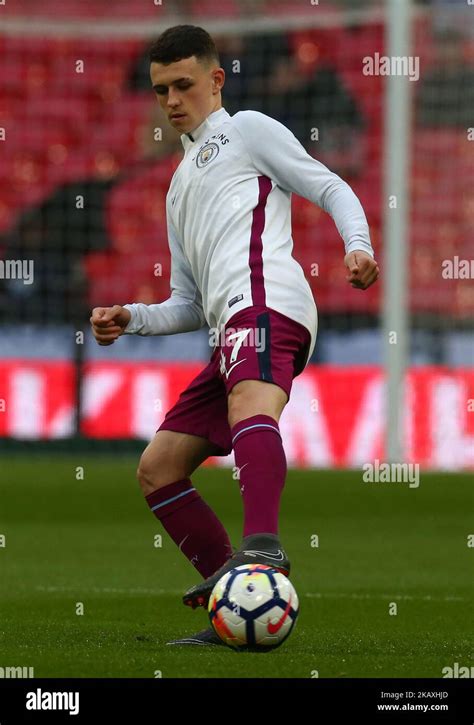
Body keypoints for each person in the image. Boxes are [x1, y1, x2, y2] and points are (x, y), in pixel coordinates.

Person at [90, 25, 379, 646]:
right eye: (162, 89)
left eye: (184, 85)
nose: (171, 100)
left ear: (216, 80)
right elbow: (188, 304)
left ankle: (263, 551)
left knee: (251, 403)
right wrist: (132, 317)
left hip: (269, 300)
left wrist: (358, 246)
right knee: (159, 469)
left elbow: (328, 185)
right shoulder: (177, 187)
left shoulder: (246, 130)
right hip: (228, 326)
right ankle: (233, 592)